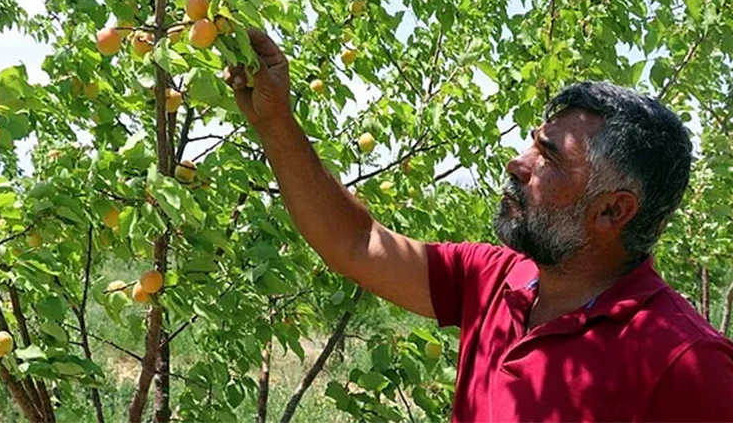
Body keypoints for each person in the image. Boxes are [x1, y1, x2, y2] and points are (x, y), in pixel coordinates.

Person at [223, 29, 733, 422]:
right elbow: (358, 243)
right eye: (533, 140)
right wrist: (274, 121)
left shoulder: (684, 363)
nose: (517, 162)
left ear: (612, 212)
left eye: (549, 156)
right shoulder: (494, 280)